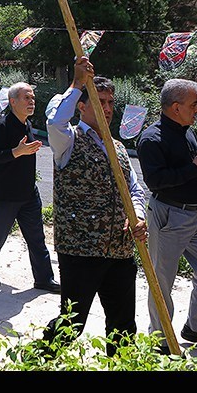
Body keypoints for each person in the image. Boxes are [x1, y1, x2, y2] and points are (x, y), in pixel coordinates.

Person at [43, 56, 147, 357]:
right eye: (100, 101)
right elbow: (54, 120)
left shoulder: (118, 148)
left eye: (111, 102)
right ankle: (38, 359)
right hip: (81, 249)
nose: (107, 108)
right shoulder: (67, 140)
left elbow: (134, 190)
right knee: (72, 324)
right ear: (82, 106)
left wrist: (138, 217)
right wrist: (76, 84)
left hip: (120, 249)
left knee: (123, 325)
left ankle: (122, 366)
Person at [137, 78, 197, 353]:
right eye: (194, 104)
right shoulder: (151, 139)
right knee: (162, 281)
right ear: (175, 107)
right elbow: (156, 181)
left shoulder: (188, 132)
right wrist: (195, 171)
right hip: (169, 218)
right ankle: (159, 339)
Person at [0, 82, 59, 293]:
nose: (31, 101)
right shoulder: (2, 127)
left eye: (32, 98)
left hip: (28, 193)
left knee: (37, 237)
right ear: (13, 102)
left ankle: (43, 278)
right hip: (5, 195)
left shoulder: (28, 125)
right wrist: (17, 151)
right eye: (27, 98)